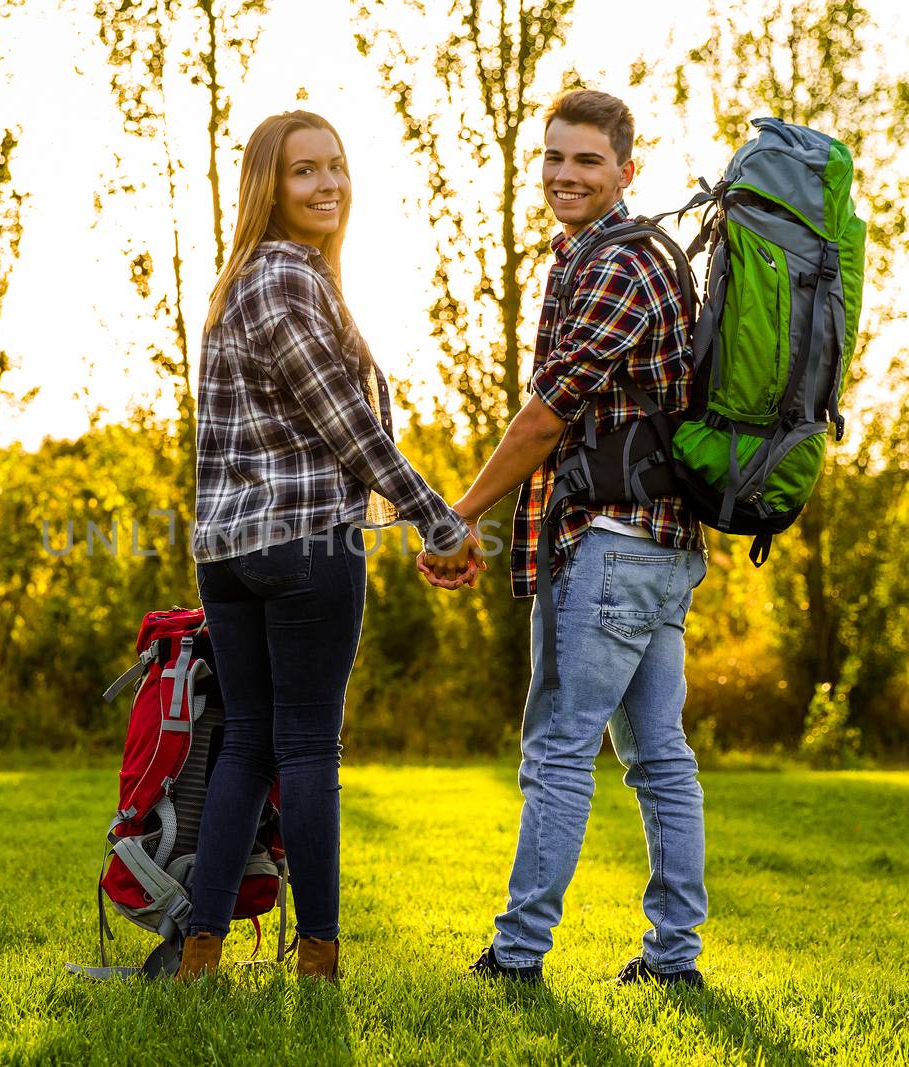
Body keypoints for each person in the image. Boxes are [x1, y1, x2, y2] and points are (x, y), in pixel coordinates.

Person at [181, 110, 481, 981]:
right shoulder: (286, 279)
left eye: (337, 168)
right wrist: (441, 520)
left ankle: (202, 949)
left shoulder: (238, 283)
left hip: (226, 549)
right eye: (305, 171)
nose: (328, 186)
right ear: (267, 187)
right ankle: (318, 958)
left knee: (247, 740)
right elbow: (348, 426)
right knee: (309, 747)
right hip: (305, 544)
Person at [420, 89, 709, 988]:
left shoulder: (618, 265)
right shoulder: (617, 256)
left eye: (586, 160)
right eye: (553, 157)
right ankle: (672, 960)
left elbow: (547, 417)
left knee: (558, 747)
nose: (564, 175)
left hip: (615, 547)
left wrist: (459, 513)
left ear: (629, 167)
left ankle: (516, 956)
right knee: (659, 754)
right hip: (659, 549)